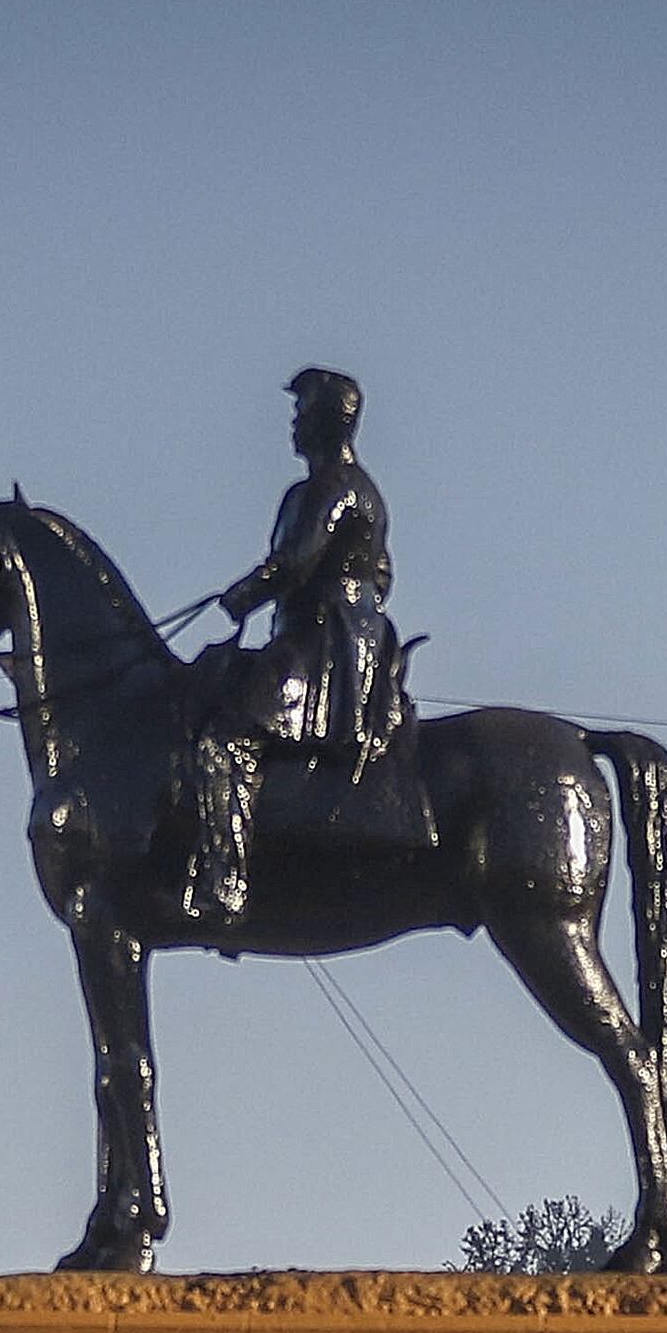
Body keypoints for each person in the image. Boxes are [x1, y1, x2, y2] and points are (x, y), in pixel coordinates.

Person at [179, 366, 398, 928]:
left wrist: (240, 597)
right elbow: (383, 573)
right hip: (339, 635)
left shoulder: (328, 489)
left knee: (223, 742)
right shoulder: (364, 490)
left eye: (301, 414)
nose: (293, 426)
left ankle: (225, 880)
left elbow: (294, 563)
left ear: (325, 422)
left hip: (320, 642)